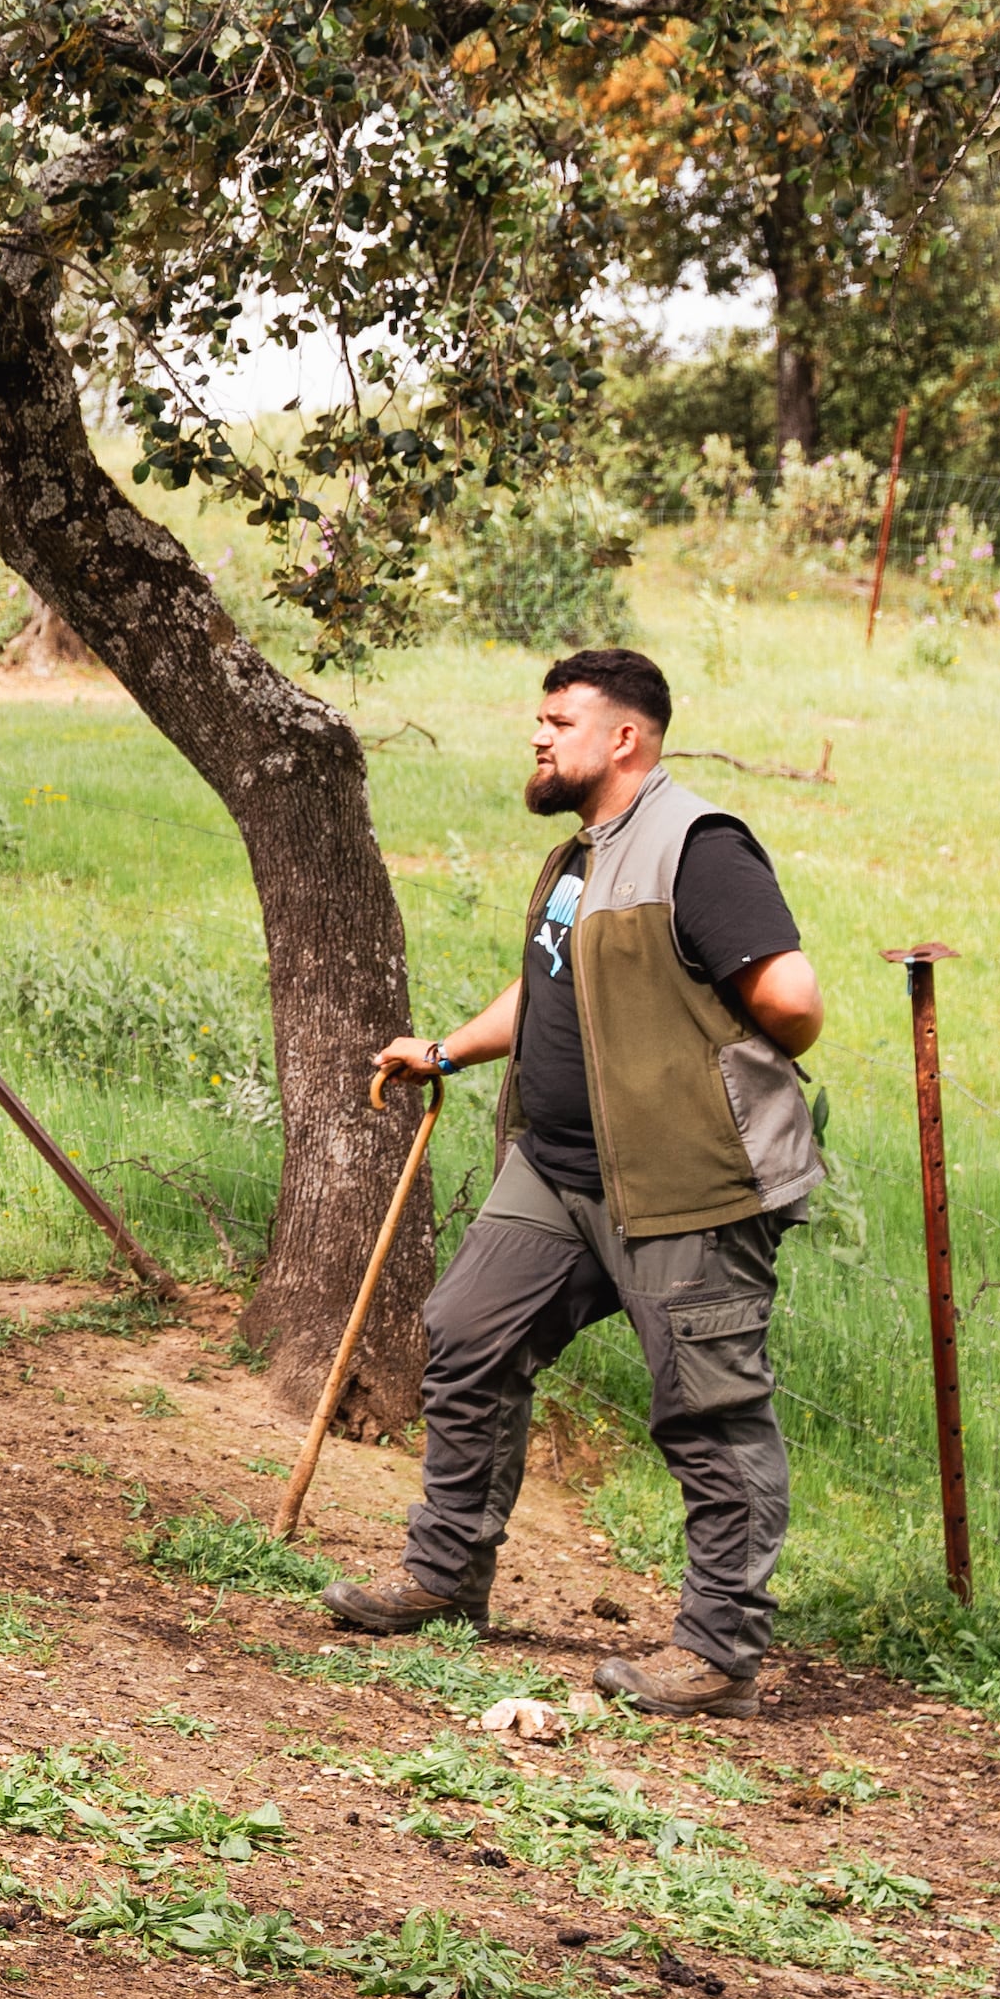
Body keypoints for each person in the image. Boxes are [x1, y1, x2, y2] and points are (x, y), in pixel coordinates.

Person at [329, 645, 825, 1717]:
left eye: (558, 721)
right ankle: (444, 1575)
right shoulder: (577, 858)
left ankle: (718, 1657)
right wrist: (446, 1052)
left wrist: (691, 1065)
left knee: (709, 1412)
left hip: (679, 1186)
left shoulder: (696, 849)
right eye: (540, 721)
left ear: (622, 739)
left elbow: (791, 999)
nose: (538, 737)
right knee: (465, 1334)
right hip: (553, 1174)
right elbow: (552, 983)